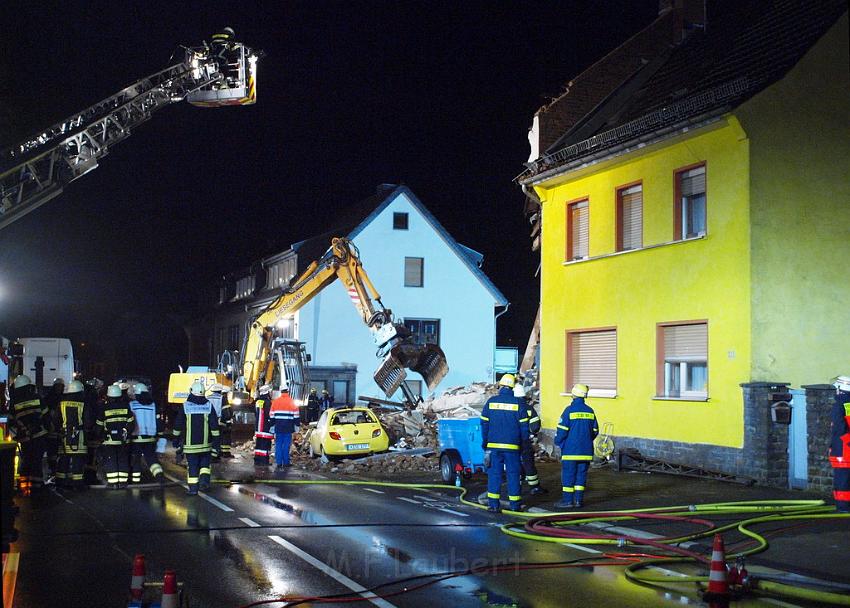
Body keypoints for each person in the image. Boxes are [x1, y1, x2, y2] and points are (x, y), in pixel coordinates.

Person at [480, 374, 529, 513]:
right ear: (513, 387)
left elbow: (484, 425)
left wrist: (485, 442)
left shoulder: (491, 402)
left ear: (501, 386)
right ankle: (515, 505)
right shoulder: (519, 404)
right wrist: (523, 444)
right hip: (513, 447)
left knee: (494, 474)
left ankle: (493, 505)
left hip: (494, 447)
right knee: (513, 474)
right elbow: (524, 429)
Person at [554, 383, 599, 509]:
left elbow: (562, 431)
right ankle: (578, 501)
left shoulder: (569, 411)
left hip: (570, 451)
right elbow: (595, 431)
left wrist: (558, 442)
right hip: (585, 451)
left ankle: (568, 501)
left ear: (573, 395)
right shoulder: (590, 411)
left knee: (568, 475)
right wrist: (586, 440)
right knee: (581, 475)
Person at [173, 381, 220, 495]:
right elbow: (214, 427)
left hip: (191, 446)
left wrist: (175, 439)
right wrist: (216, 444)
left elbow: (178, 425)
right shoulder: (208, 405)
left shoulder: (185, 406)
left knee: (193, 466)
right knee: (205, 465)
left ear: (191, 392)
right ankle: (204, 482)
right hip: (206, 445)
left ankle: (193, 489)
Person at [7, 375, 48, 493]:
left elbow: (11, 422)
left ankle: (24, 486)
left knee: (26, 460)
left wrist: (19, 434)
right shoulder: (37, 397)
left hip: (25, 438)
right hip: (39, 435)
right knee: (36, 460)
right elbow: (46, 416)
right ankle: (37, 486)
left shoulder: (14, 403)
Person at [97, 384, 135, 489]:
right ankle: (123, 482)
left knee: (111, 460)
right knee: (123, 460)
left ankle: (113, 483)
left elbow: (99, 425)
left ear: (108, 396)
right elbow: (131, 424)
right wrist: (126, 433)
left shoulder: (104, 408)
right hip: (123, 441)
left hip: (109, 441)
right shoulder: (126, 407)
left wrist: (100, 436)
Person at [128, 383, 164, 485]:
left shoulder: (132, 405)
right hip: (150, 438)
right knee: (151, 459)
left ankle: (136, 481)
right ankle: (159, 475)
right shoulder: (153, 405)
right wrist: (160, 435)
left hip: (136, 438)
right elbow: (158, 422)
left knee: (136, 460)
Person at [514, 380, 547, 495]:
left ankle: (517, 481)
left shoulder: (511, 407)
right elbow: (535, 425)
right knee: (528, 462)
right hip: (525, 440)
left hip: (511, 441)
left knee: (514, 461)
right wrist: (531, 433)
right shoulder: (528, 408)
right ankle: (534, 487)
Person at [56, 380, 88, 488]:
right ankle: (77, 484)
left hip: (64, 435)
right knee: (77, 460)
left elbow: (56, 419)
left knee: (63, 459)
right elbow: (88, 421)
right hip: (79, 435)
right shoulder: (83, 403)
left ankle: (61, 482)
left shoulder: (61, 402)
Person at [829, 375, 850, 513]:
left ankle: (842, 507)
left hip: (842, 450)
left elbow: (838, 427)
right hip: (846, 448)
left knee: (842, 480)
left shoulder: (838, 405)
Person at [270, 381, 299, 470]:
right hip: (288, 427)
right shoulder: (292, 402)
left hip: (278, 427)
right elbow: (296, 416)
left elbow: (271, 415)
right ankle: (286, 462)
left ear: (280, 391)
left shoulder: (275, 402)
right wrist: (297, 426)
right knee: (286, 445)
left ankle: (279, 463)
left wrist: (272, 425)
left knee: (278, 445)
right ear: (288, 391)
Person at [43, 377, 65, 483]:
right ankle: (53, 471)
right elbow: (46, 414)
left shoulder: (63, 398)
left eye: (61, 386)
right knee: (52, 452)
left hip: (60, 428)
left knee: (60, 452)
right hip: (51, 429)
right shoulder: (49, 398)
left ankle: (58, 471)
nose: (60, 388)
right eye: (58, 386)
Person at [83, 378, 104, 484]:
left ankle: (86, 475)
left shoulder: (84, 398)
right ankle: (91, 477)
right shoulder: (95, 400)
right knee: (92, 455)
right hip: (92, 431)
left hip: (85, 430)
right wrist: (97, 431)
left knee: (87, 454)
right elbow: (97, 415)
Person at [207, 384, 234, 460]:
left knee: (210, 438)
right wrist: (228, 422)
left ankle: (210, 454)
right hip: (219, 422)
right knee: (218, 439)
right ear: (220, 391)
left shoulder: (208, 398)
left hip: (209, 421)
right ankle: (216, 455)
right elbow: (225, 411)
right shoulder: (222, 398)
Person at [253, 384, 274, 466]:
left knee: (258, 444)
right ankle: (264, 461)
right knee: (265, 445)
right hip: (265, 427)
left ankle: (257, 460)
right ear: (267, 392)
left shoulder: (258, 401)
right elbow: (269, 415)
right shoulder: (268, 402)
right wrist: (271, 424)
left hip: (258, 427)